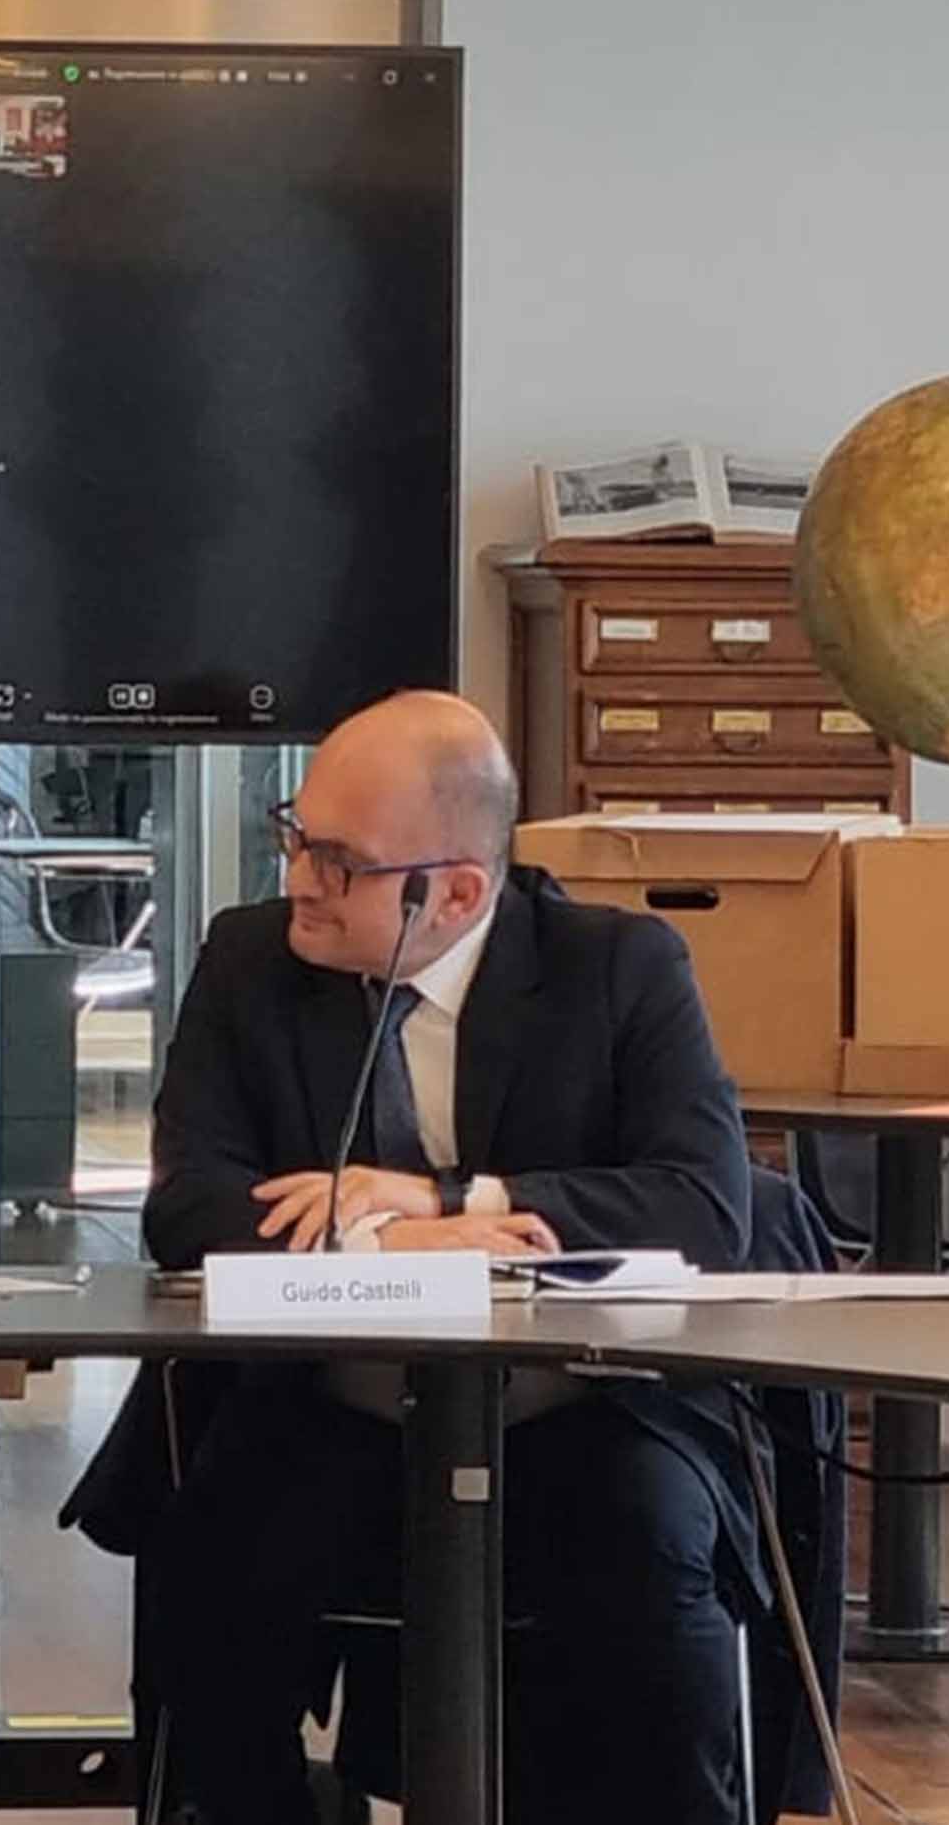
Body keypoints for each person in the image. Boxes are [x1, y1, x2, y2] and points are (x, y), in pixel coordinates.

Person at [76, 690, 757, 1825]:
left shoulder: (617, 967)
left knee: (649, 1570)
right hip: (328, 1403)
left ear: (458, 893)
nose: (298, 879)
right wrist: (393, 1238)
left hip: (583, 1412)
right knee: (209, 1567)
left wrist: (461, 1198)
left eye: (337, 862)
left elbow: (705, 1205)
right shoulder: (250, 961)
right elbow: (188, 1208)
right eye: (295, 837)